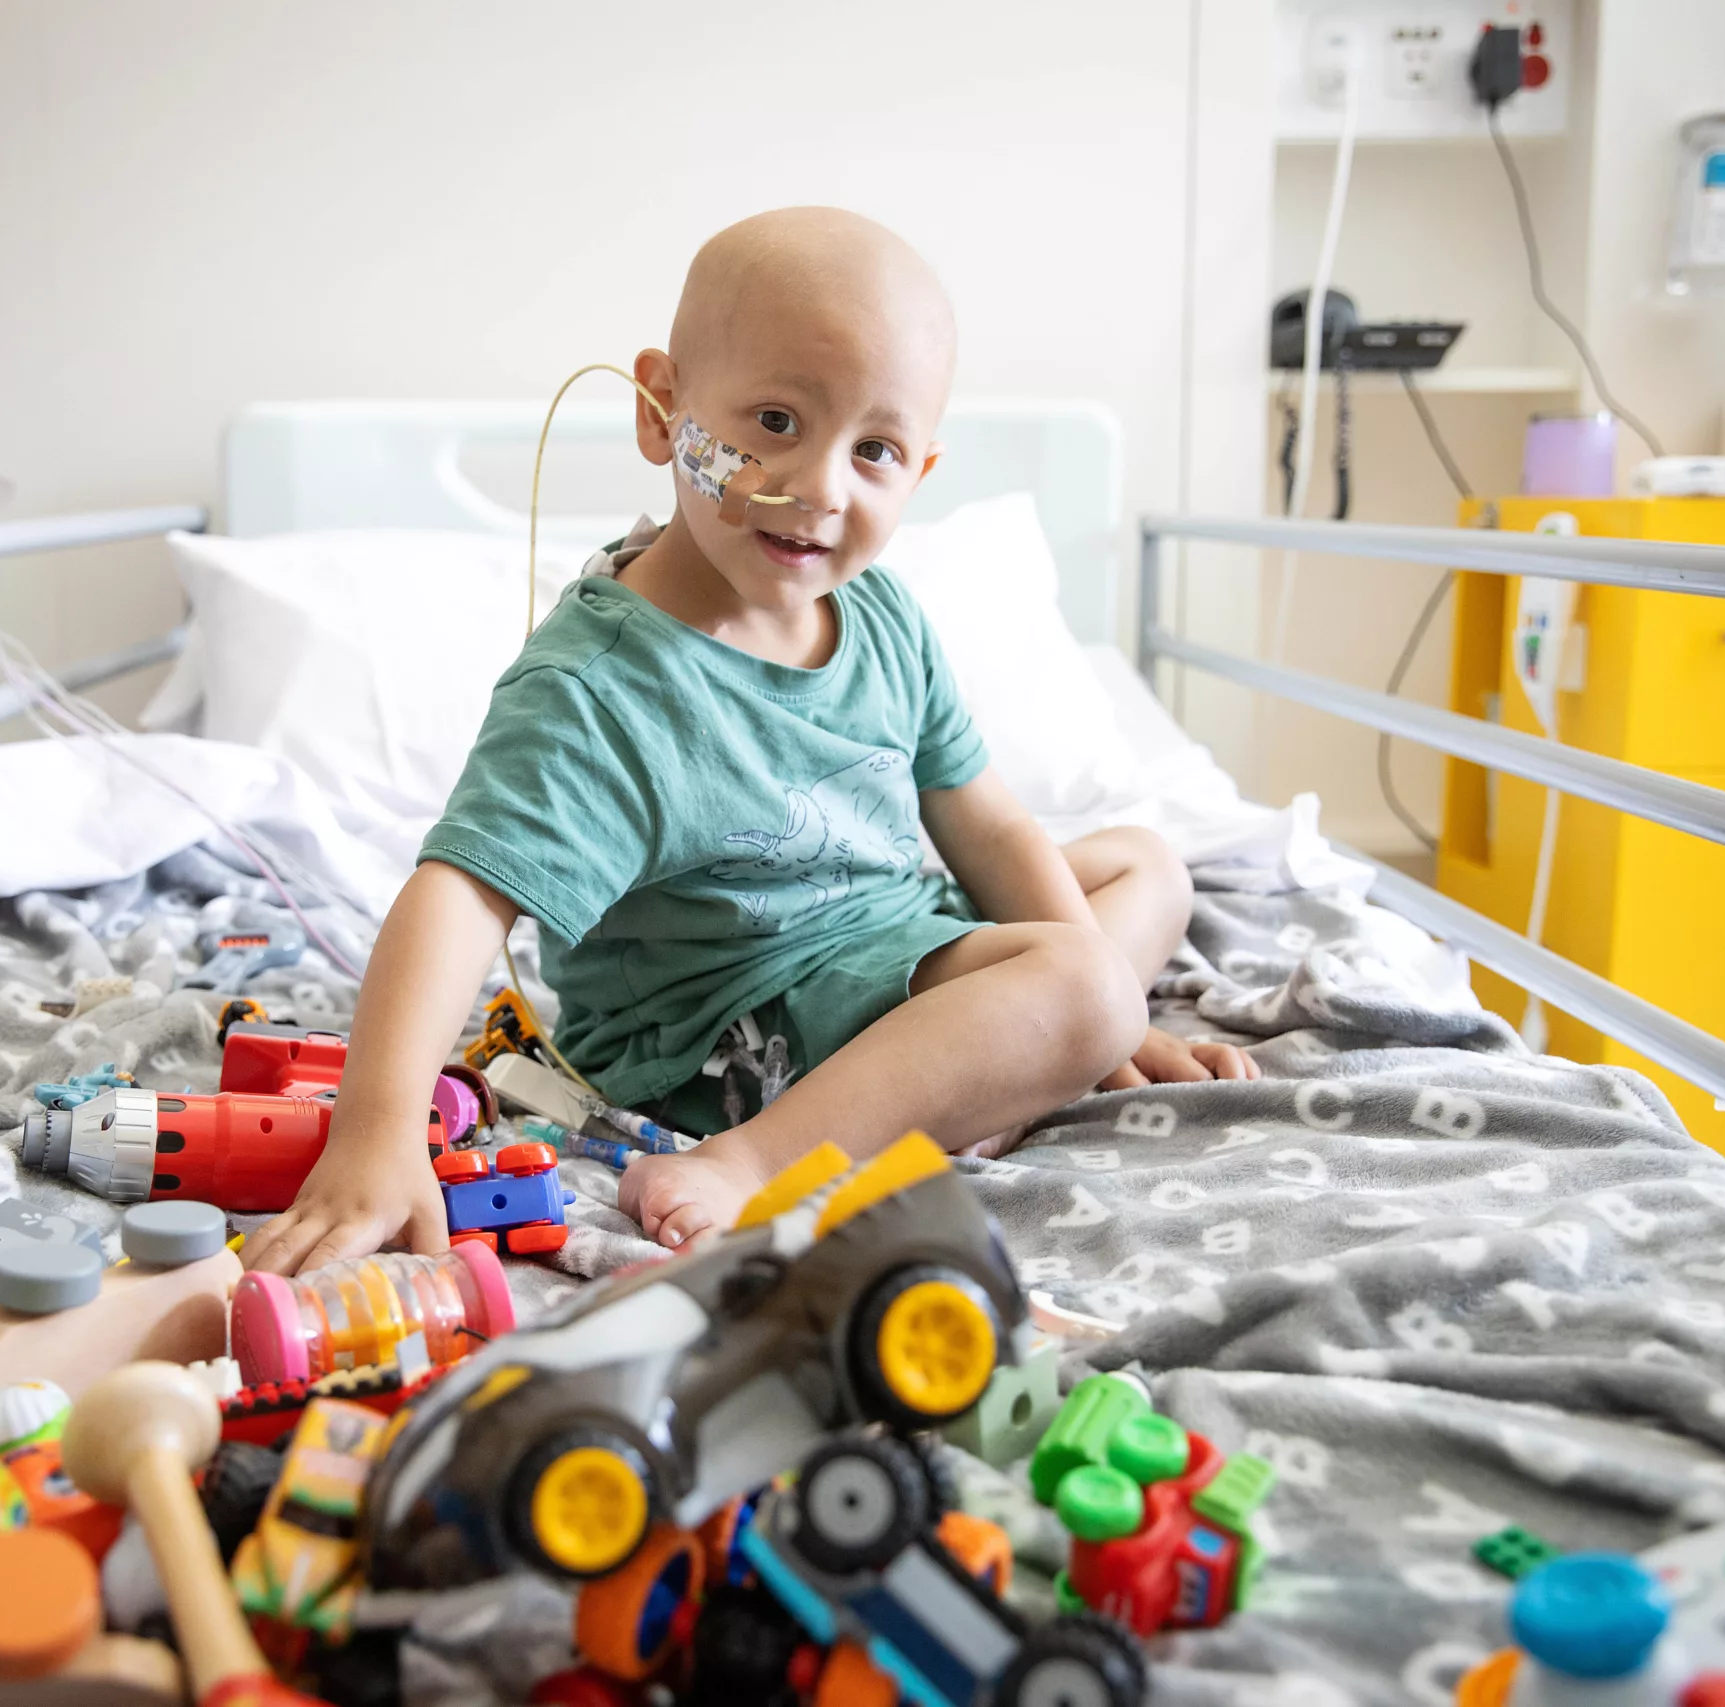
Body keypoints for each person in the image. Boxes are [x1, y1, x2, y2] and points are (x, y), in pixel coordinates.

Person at [243, 207, 1253, 1274]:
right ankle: (759, 1159)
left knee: (1143, 864)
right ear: (659, 409)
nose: (819, 487)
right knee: (1086, 985)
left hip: (882, 944)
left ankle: (991, 1065)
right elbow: (459, 895)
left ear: (920, 470)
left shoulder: (885, 621)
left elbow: (990, 827)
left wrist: (1110, 1020)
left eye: (874, 450)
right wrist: (375, 1131)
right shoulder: (603, 687)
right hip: (727, 1028)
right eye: (775, 421)